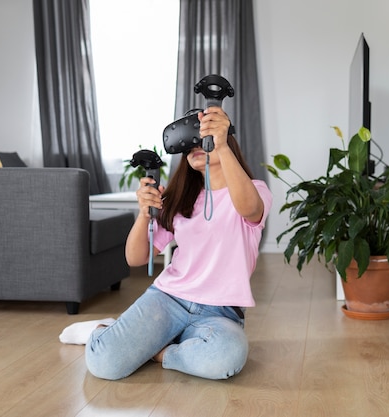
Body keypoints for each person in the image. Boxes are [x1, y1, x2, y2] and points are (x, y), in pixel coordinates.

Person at [84, 107, 272, 380]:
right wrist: (143, 213)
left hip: (218, 313)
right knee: (104, 362)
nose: (195, 145)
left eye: (202, 137)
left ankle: (159, 351)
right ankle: (109, 331)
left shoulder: (255, 190)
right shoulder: (181, 198)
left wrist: (219, 142)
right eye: (189, 142)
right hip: (168, 299)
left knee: (226, 356)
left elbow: (249, 208)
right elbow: (136, 258)